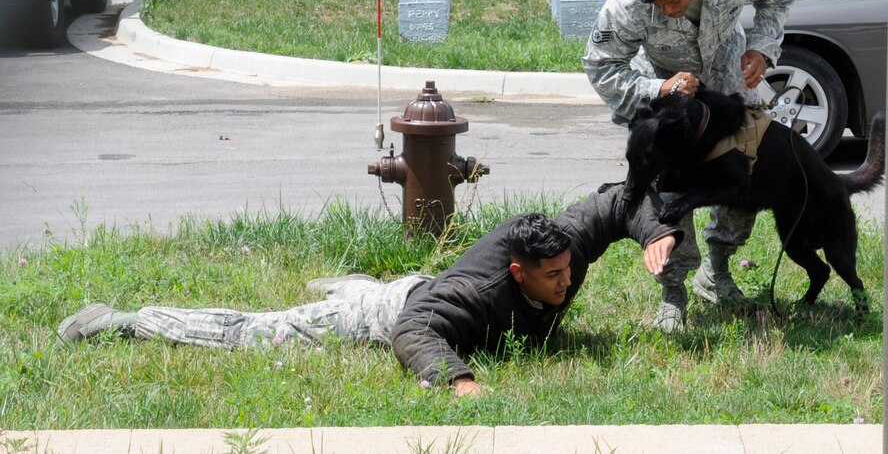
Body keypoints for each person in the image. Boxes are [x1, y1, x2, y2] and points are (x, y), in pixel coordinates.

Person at [58, 183, 681, 398]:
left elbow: (618, 200)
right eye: (553, 278)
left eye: (568, 271)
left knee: (383, 291)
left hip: (418, 287)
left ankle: (345, 287)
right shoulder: (478, 293)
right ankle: (123, 319)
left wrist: (654, 233)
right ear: (518, 273)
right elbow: (415, 331)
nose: (567, 283)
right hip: (392, 313)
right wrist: (456, 379)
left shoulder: (558, 245)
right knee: (255, 332)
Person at [582, 0, 795, 332]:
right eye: (659, 4)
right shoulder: (627, 3)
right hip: (664, 89)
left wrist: (763, 47)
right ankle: (673, 291)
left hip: (728, 78)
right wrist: (657, 89)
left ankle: (716, 271)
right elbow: (600, 67)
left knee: (741, 174)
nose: (668, 9)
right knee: (669, 191)